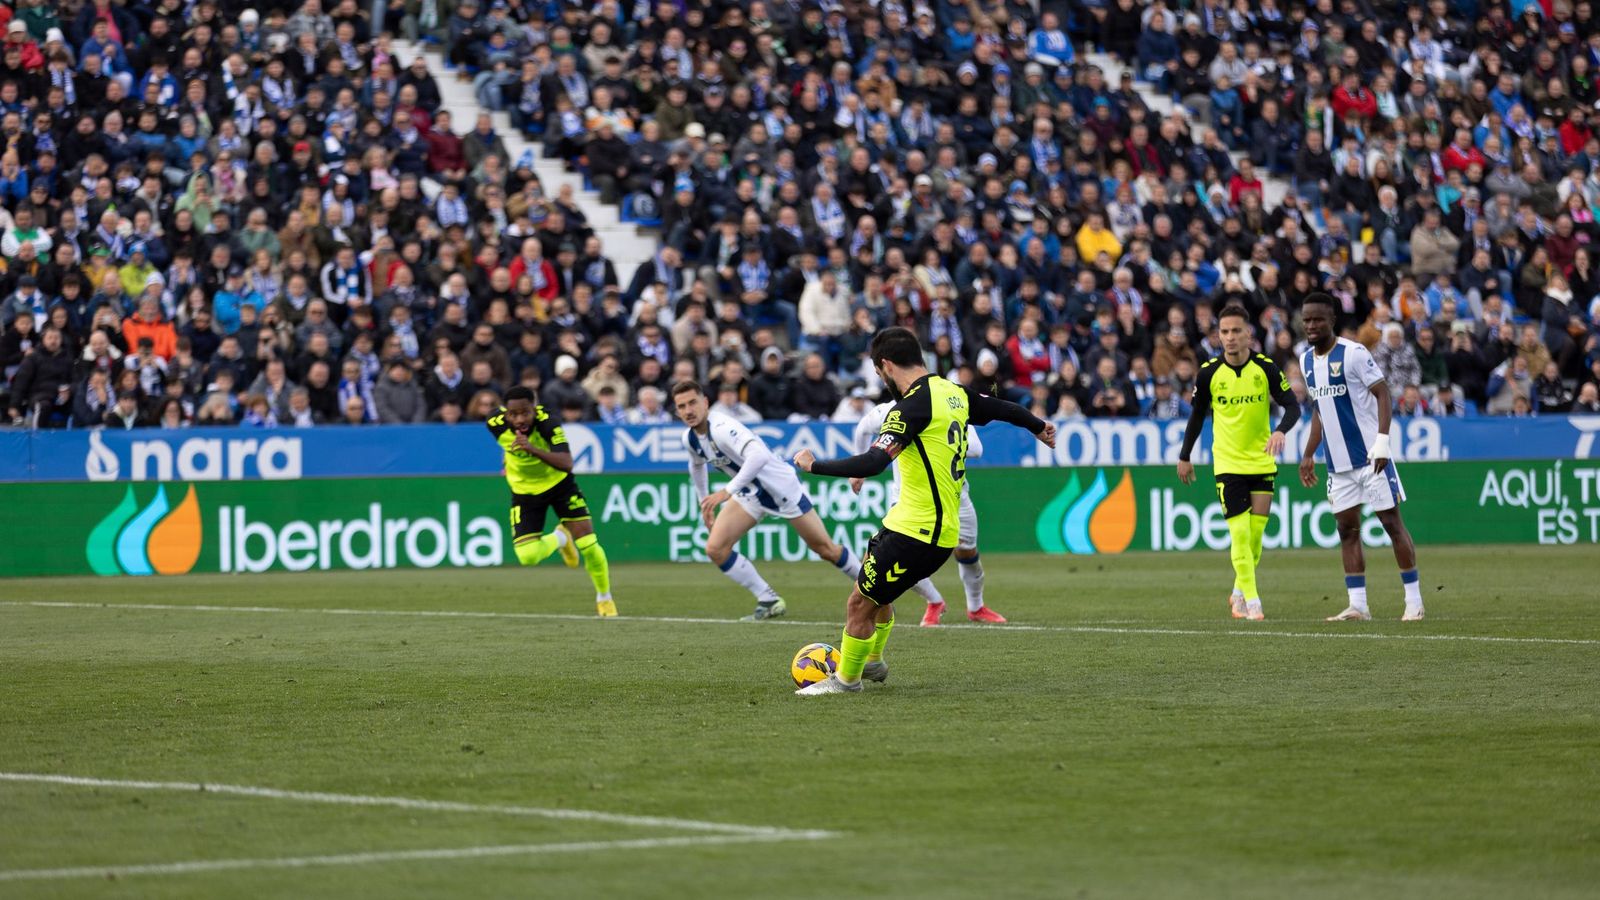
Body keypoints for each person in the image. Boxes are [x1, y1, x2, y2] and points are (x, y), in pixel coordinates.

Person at [791, 328, 1055, 695]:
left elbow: (874, 462)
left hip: (917, 532)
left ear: (886, 366)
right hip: (922, 526)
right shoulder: (953, 392)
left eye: (879, 373)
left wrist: (814, 465)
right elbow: (1001, 408)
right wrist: (1038, 426)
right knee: (875, 592)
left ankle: (846, 681)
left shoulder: (911, 407)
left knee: (859, 602)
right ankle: (872, 661)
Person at [671, 380, 861, 621]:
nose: (688, 410)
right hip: (751, 493)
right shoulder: (690, 438)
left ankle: (875, 594)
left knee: (826, 549)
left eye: (692, 403)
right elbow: (696, 464)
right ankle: (768, 599)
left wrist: (727, 491)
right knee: (716, 549)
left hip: (781, 488)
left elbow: (758, 455)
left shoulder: (721, 427)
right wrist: (704, 502)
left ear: (705, 402)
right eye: (682, 406)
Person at [1297, 295, 1425, 622]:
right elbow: (1320, 410)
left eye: (1317, 319)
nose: (1311, 325)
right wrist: (1309, 452)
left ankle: (1414, 601)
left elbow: (1383, 393)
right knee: (1347, 530)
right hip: (1337, 465)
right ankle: (1358, 605)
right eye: (1306, 320)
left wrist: (1382, 442)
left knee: (1391, 523)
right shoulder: (1306, 361)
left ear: (1332, 320)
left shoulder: (1353, 353)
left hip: (1371, 458)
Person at [1176, 304, 1301, 621]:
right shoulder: (1208, 373)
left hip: (1261, 462)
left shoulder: (1265, 368)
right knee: (1240, 534)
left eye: (1236, 331)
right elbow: (1196, 416)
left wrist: (1281, 431)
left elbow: (1293, 406)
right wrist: (1185, 455)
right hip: (1227, 463)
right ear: (1219, 335)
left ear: (1248, 334)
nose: (1230, 337)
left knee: (1256, 538)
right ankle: (1253, 601)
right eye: (1224, 332)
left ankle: (1237, 592)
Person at [852, 397, 1006, 626]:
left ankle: (976, 607)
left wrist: (933, 438)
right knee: (900, 557)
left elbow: (976, 449)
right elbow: (863, 428)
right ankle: (934, 600)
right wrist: (858, 470)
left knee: (967, 551)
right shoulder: (891, 411)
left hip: (954, 496)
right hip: (908, 499)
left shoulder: (952, 406)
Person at [486, 385, 617, 617]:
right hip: (525, 492)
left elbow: (567, 463)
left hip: (559, 485)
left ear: (535, 408)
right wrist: (507, 461)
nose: (520, 419)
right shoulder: (494, 423)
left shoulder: (549, 423)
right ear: (506, 413)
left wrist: (532, 449)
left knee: (589, 545)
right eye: (513, 414)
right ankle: (560, 538)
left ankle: (604, 598)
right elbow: (506, 445)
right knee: (527, 556)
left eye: (525, 413)